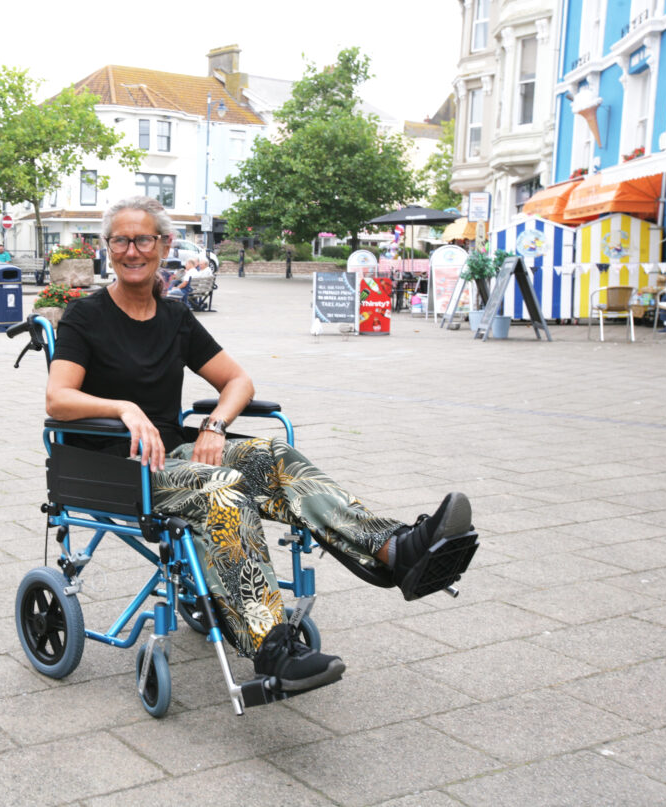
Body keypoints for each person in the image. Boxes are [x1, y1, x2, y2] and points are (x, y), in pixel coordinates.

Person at [46, 196, 474, 693]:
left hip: (177, 453)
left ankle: (395, 547)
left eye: (143, 239)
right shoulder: (86, 316)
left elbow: (238, 382)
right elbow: (59, 398)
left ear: (163, 245)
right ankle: (270, 647)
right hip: (119, 467)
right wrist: (122, 407)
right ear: (107, 248)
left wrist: (215, 426)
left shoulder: (176, 317)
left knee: (276, 459)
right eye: (120, 240)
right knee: (224, 488)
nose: (131, 250)